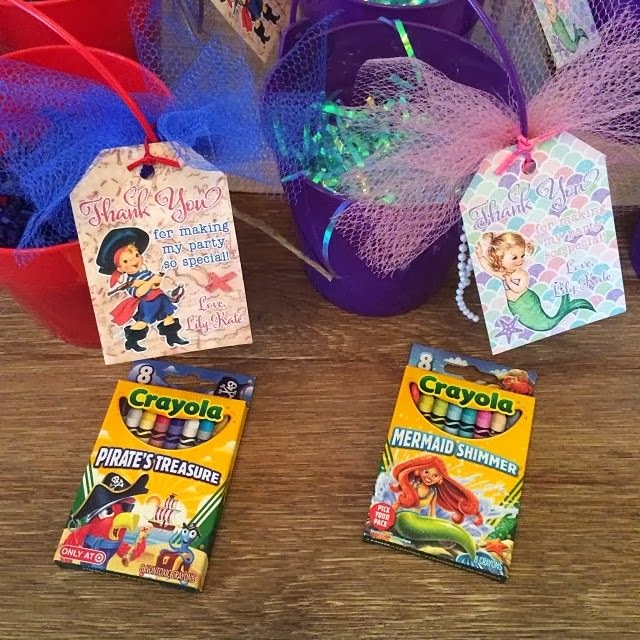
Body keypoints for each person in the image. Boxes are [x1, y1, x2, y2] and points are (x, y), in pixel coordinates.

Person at [475, 231, 594, 331]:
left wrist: (509, 281)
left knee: (542, 323)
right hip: (515, 305)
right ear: (499, 258)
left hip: (527, 301)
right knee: (529, 320)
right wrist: (480, 256)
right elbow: (490, 270)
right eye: (515, 257)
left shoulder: (522, 274)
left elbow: (519, 288)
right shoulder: (504, 272)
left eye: (522, 255)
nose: (520, 260)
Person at [96, 227, 189, 352]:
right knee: (143, 323)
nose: (134, 260)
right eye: (126, 261)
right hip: (148, 303)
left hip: (161, 298)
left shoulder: (146, 273)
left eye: (136, 255)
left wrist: (157, 279)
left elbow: (155, 286)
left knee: (169, 316)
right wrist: (149, 282)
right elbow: (139, 293)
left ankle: (172, 337)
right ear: (120, 268)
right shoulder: (130, 282)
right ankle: (131, 341)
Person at [390, 455, 483, 525]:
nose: (429, 477)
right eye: (426, 472)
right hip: (398, 517)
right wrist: (389, 518)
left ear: (440, 479)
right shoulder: (413, 486)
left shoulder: (432, 494)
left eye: (435, 475)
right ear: (418, 471)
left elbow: (432, 512)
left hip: (413, 521)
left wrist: (433, 524)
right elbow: (398, 503)